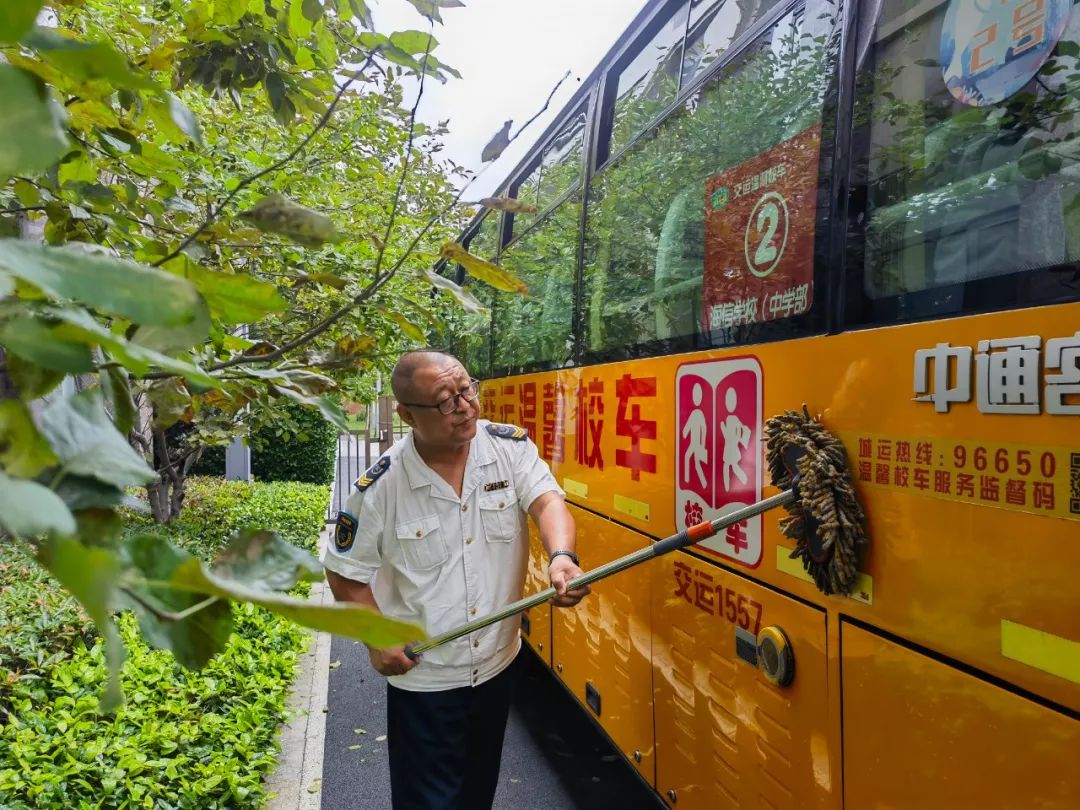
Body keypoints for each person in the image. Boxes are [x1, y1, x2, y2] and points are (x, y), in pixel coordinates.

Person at [321, 349, 589, 809]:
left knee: (476, 795)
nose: (464, 407)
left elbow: (547, 501)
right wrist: (377, 639)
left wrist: (562, 556)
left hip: (497, 666)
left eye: (467, 390)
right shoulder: (382, 486)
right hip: (426, 679)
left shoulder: (508, 449)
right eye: (445, 401)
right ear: (407, 415)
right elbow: (343, 571)